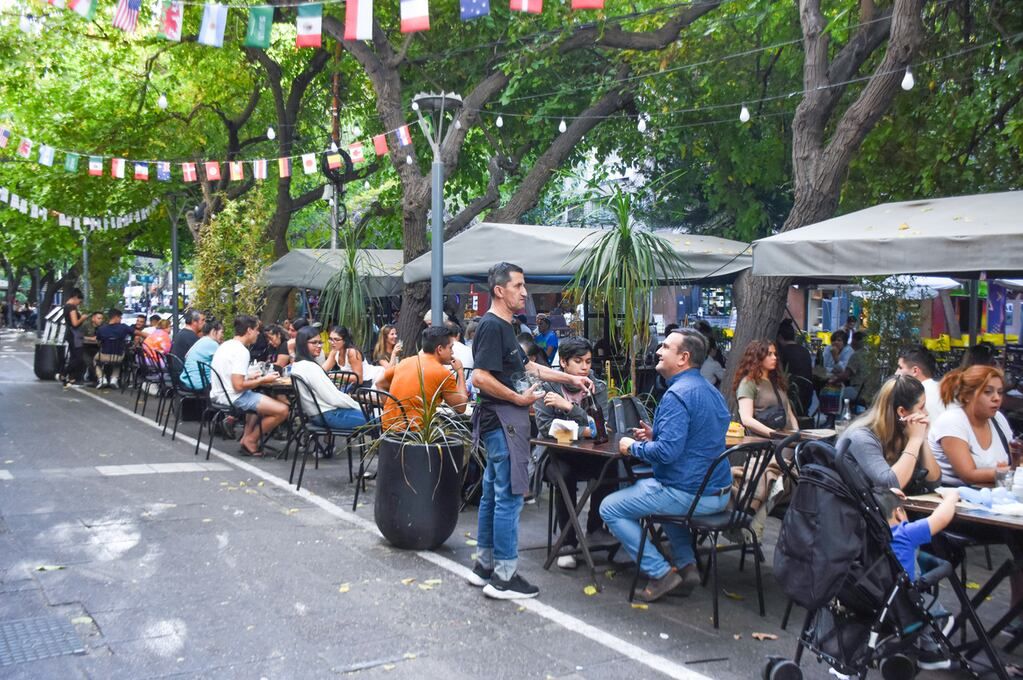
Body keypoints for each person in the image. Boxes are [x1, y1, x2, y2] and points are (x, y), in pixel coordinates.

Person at [466, 262, 593, 600]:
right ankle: (505, 576)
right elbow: (479, 378)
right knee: (508, 497)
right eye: (519, 285)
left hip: (501, 422)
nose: (524, 292)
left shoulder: (506, 326)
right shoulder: (493, 326)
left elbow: (528, 366)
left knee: (494, 494)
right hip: (504, 422)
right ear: (499, 290)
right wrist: (517, 397)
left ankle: (485, 566)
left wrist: (570, 378)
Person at [599, 328, 730, 603]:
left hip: (690, 494)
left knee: (608, 507)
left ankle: (660, 572)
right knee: (650, 489)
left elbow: (668, 453)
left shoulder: (677, 394)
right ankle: (686, 564)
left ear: (683, 357)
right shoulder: (709, 389)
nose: (658, 351)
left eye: (666, 347)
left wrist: (631, 446)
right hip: (718, 492)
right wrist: (656, 434)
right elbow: (698, 435)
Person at [533, 337, 612, 569]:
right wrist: (585, 429)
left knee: (613, 468)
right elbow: (547, 429)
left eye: (588, 361)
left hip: (590, 455)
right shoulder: (547, 387)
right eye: (578, 361)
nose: (584, 367)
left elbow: (602, 428)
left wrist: (569, 408)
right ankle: (567, 542)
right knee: (564, 475)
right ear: (564, 363)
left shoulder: (597, 386)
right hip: (554, 456)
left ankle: (596, 528)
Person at [875, 486, 958, 672]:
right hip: (906, 604)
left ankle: (892, 648)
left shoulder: (868, 535)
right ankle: (931, 652)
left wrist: (883, 496)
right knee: (940, 614)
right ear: (898, 513)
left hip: (876, 600)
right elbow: (941, 518)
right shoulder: (904, 532)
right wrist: (951, 497)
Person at [838, 375, 942, 490]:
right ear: (902, 411)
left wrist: (923, 437)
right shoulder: (861, 436)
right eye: (921, 407)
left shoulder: (906, 430)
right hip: (853, 506)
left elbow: (933, 482)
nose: (926, 413)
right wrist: (915, 440)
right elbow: (891, 485)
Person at [209, 315, 289, 456]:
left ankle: (247, 438)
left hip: (219, 393)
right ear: (249, 330)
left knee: (261, 396)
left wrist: (250, 377)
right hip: (233, 397)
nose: (259, 334)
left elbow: (232, 376)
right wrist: (262, 380)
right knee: (283, 410)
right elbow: (238, 386)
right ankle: (251, 440)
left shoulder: (226, 345)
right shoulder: (241, 351)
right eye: (257, 330)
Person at [930, 365, 1012, 487]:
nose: (996, 398)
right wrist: (1004, 472)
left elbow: (1013, 459)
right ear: (967, 395)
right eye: (988, 392)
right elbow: (968, 475)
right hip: (954, 495)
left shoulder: (998, 418)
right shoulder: (952, 421)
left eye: (1000, 392)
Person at [377, 326, 468, 431]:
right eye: (450, 348)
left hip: (387, 430)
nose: (452, 352)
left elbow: (379, 383)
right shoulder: (443, 373)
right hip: (416, 436)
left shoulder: (405, 362)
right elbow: (461, 407)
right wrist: (460, 372)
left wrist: (392, 407)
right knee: (460, 439)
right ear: (440, 349)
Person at [291, 326, 367, 430]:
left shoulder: (297, 365)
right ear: (303, 344)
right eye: (314, 343)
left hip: (316, 415)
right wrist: (358, 406)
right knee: (379, 420)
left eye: (320, 342)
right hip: (327, 415)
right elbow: (334, 399)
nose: (319, 346)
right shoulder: (310, 367)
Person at [733, 340, 798, 437]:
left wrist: (796, 433)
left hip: (788, 441)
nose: (774, 358)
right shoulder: (748, 383)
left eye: (775, 354)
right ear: (757, 358)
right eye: (769, 354)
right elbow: (746, 418)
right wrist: (774, 434)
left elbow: (789, 412)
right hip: (767, 445)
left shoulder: (777, 381)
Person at [897, 345, 944, 422]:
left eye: (900, 367)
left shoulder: (914, 397)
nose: (897, 373)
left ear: (915, 371)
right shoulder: (945, 392)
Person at [776, 319, 814, 415]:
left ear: (779, 337)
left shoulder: (782, 353)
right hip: (807, 396)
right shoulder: (805, 351)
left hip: (791, 398)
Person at [95, 309, 135, 388]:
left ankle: (102, 378)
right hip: (118, 356)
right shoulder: (123, 327)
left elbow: (98, 342)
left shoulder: (101, 329)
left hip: (104, 355)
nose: (121, 319)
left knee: (95, 360)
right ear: (116, 317)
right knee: (118, 362)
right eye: (120, 317)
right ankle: (114, 379)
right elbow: (136, 332)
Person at [182, 319, 224, 390]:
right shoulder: (212, 344)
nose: (223, 335)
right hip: (200, 383)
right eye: (222, 332)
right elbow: (224, 363)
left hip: (188, 381)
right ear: (214, 331)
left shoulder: (202, 340)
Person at [169, 309, 205, 377]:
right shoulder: (191, 337)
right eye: (202, 320)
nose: (204, 323)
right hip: (186, 376)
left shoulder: (182, 333)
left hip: (176, 374)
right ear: (194, 322)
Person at [62, 289, 85, 386]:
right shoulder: (71, 307)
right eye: (79, 301)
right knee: (78, 357)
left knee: (73, 356)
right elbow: (75, 323)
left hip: (70, 334)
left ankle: (71, 377)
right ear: (75, 297)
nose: (79, 303)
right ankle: (64, 373)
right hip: (74, 335)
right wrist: (82, 318)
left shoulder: (66, 306)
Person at [81, 310, 105, 385]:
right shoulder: (86, 325)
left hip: (99, 348)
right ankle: (93, 378)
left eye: (101, 318)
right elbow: (79, 336)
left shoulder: (103, 327)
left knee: (99, 361)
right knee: (89, 361)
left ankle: (98, 378)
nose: (100, 320)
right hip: (86, 347)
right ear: (93, 318)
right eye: (99, 318)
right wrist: (90, 338)